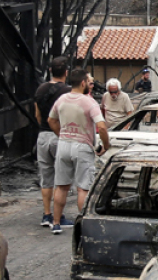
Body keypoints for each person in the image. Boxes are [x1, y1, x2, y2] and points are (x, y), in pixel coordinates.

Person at [47, 69, 110, 235]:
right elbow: (102, 127)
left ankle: (56, 223)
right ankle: (84, 226)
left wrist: (61, 134)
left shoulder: (62, 99)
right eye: (88, 82)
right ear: (83, 83)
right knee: (83, 187)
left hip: (63, 144)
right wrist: (106, 145)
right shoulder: (89, 102)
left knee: (61, 186)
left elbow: (51, 120)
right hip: (82, 146)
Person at [34, 57, 71, 228]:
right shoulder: (67, 92)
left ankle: (46, 214)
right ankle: (59, 215)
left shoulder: (40, 89)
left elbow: (37, 115)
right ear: (66, 72)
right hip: (59, 135)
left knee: (46, 177)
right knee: (61, 178)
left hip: (43, 135)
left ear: (50, 71)